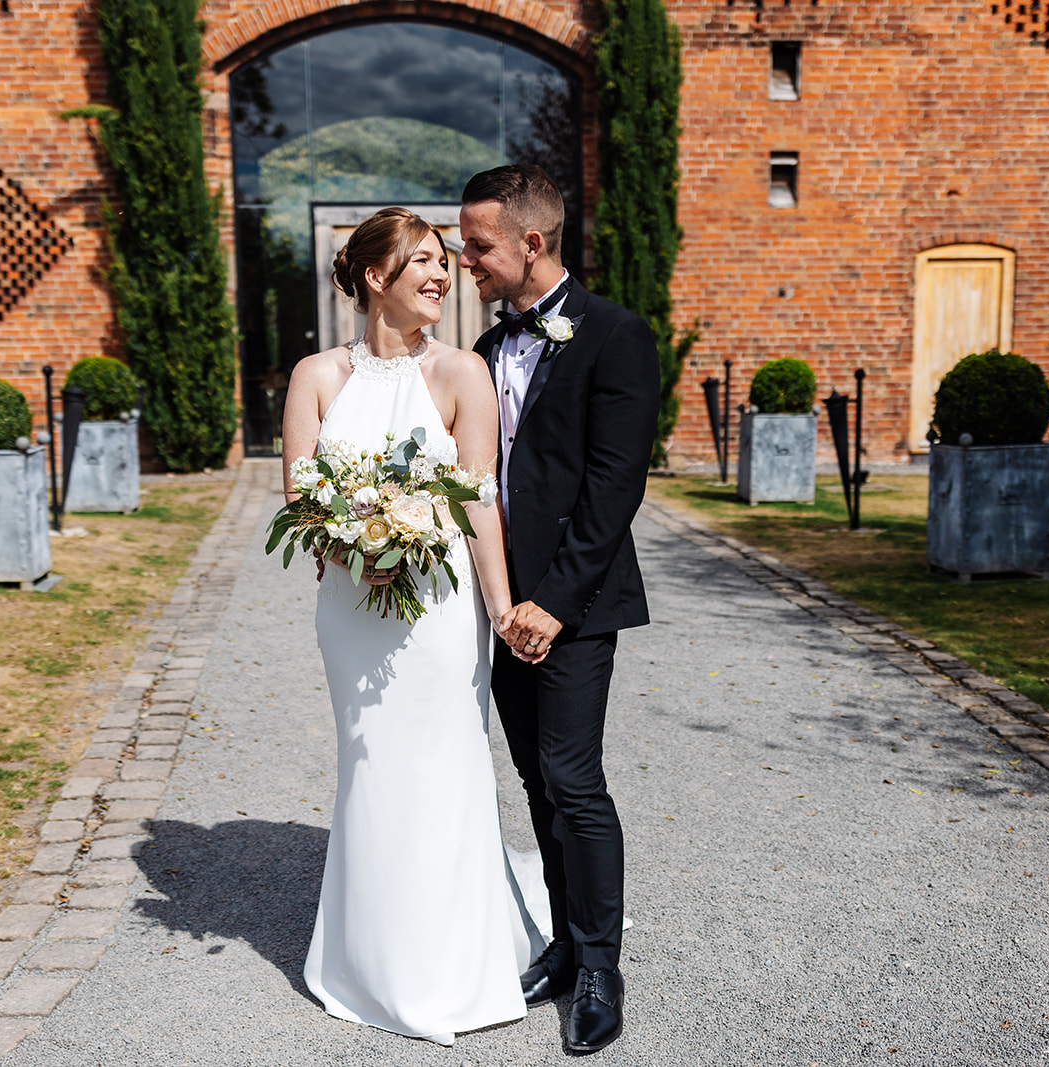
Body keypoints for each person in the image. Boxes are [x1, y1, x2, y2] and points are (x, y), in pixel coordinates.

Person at [279, 207, 533, 1046]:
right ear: (374, 275)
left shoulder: (463, 374)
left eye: (445, 261)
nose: (442, 273)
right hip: (354, 608)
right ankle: (368, 957)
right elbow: (301, 497)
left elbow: (480, 503)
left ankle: (456, 960)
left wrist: (499, 608)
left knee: (446, 761)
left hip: (438, 609)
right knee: (372, 761)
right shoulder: (316, 375)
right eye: (422, 260)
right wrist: (358, 552)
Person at [460, 163, 660, 1054]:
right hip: (503, 608)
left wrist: (554, 601)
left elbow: (616, 486)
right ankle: (566, 949)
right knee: (537, 782)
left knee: (576, 781)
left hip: (573, 605)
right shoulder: (484, 350)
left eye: (478, 246)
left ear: (530, 243)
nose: (467, 261)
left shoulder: (616, 335)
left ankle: (604, 970)